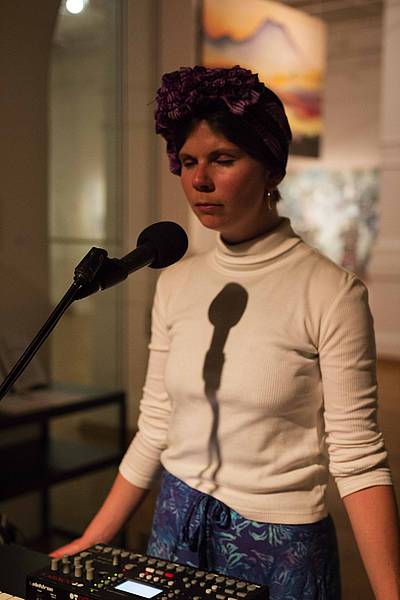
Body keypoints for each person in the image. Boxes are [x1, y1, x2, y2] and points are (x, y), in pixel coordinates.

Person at [52, 66, 400, 599]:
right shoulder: (175, 282)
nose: (200, 180)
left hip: (280, 545)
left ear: (271, 169)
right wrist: (95, 537)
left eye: (223, 159)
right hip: (175, 526)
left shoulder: (332, 292)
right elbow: (156, 425)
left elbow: (358, 458)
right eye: (189, 161)